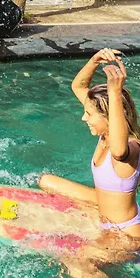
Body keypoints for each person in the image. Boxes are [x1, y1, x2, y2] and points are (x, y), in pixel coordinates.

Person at [39, 47, 140, 277]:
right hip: (102, 207)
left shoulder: (130, 147)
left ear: (108, 117)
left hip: (126, 235)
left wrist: (115, 93)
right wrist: (94, 60)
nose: (84, 117)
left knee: (74, 261)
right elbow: (78, 87)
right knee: (46, 181)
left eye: (90, 114)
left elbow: (119, 151)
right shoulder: (105, 134)